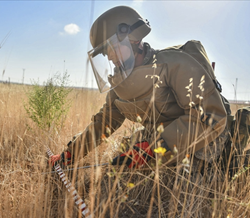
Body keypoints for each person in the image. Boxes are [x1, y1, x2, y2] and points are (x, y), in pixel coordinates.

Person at [51, 6, 230, 170]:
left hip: (205, 137)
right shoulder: (120, 81)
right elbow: (103, 122)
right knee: (121, 161)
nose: (110, 57)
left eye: (113, 48)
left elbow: (211, 118)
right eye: (106, 53)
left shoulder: (174, 64)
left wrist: (153, 150)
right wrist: (71, 153)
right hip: (161, 137)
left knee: (173, 181)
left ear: (134, 39)